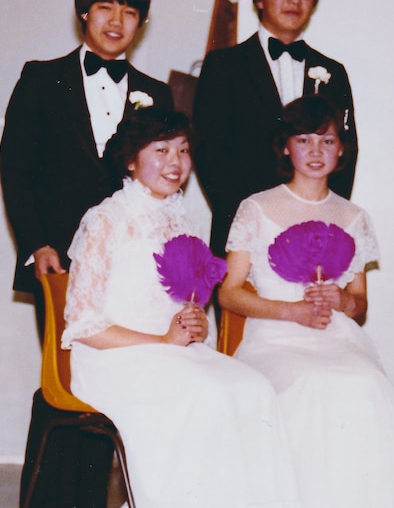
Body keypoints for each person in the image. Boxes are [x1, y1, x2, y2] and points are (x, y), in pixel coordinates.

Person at [62, 107, 299, 508]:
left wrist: (194, 328)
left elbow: (185, 309)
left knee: (254, 389)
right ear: (131, 160)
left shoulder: (184, 220)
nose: (175, 162)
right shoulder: (106, 219)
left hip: (174, 353)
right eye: (161, 150)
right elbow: (85, 325)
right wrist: (161, 340)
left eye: (183, 150)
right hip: (114, 357)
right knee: (205, 395)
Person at [0, 0, 173, 507]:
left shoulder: (155, 92)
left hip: (125, 271)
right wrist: (36, 243)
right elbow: (16, 167)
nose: (116, 20)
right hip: (59, 262)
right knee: (67, 381)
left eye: (128, 11)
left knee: (111, 385)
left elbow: (161, 183)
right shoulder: (39, 76)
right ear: (83, 14)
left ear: (140, 22)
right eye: (105, 7)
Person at [218, 96, 394, 508]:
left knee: (371, 388)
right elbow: (229, 292)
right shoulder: (256, 207)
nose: (315, 152)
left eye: (326, 141)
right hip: (275, 337)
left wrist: (343, 299)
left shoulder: (353, 215)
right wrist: (289, 311)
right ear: (285, 147)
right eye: (303, 140)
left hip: (337, 338)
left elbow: (361, 305)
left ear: (341, 149)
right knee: (310, 388)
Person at [194, 0, 357, 257]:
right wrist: (255, 217)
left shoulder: (333, 72)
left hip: (315, 235)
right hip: (243, 231)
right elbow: (209, 152)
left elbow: (346, 150)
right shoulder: (223, 65)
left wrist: (323, 218)